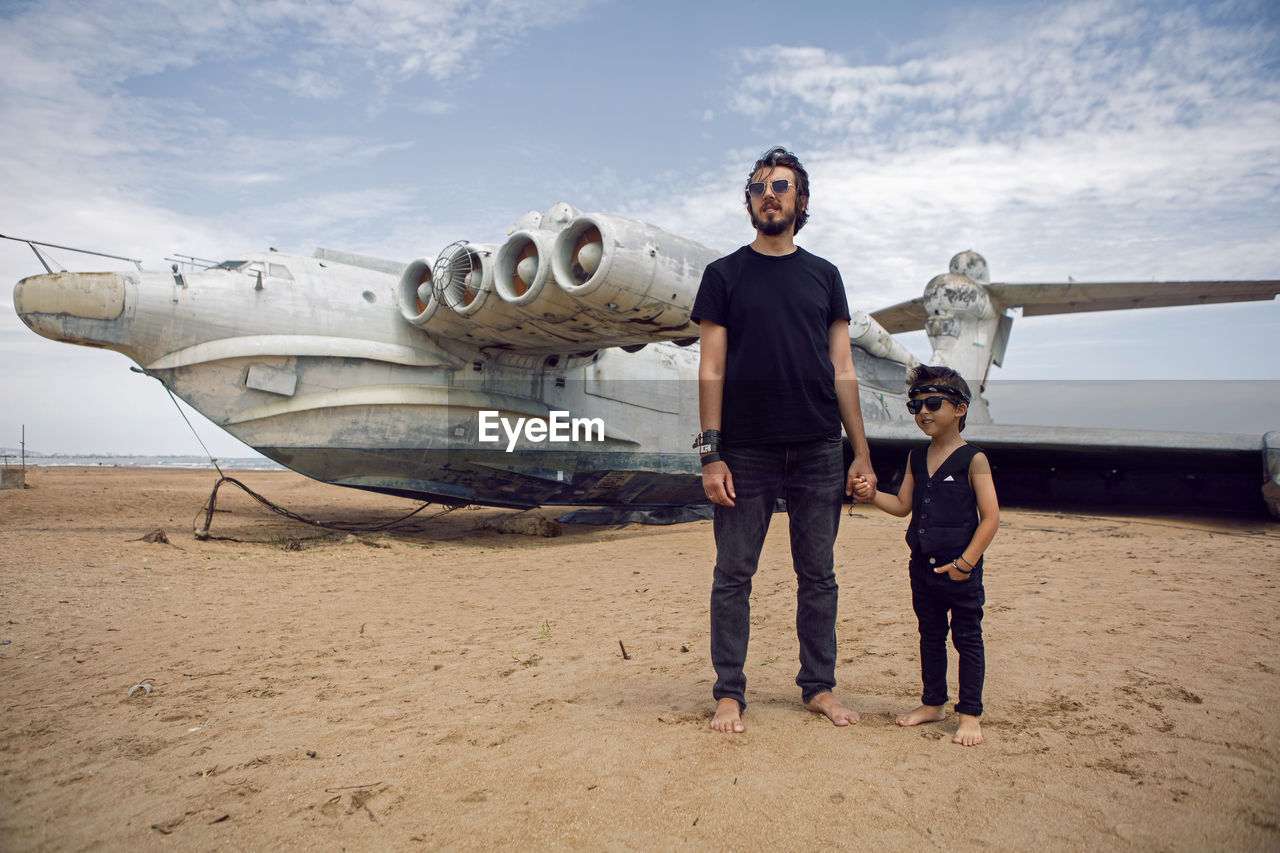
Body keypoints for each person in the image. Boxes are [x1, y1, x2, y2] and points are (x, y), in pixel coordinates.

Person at [691, 145, 877, 734]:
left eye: (781, 186)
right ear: (748, 202)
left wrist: (861, 452)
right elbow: (710, 368)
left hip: (820, 446)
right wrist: (711, 454)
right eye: (758, 187)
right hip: (744, 449)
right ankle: (729, 693)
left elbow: (843, 366)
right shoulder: (723, 275)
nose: (769, 195)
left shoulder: (826, 276)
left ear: (800, 201)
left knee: (818, 575)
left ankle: (818, 688)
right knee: (733, 573)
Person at [852, 364, 999, 746]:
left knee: (967, 639)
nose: (924, 413)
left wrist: (966, 563)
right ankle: (933, 703)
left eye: (933, 403)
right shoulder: (917, 457)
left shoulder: (974, 460)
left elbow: (991, 518)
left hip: (961, 571)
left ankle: (969, 714)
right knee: (930, 636)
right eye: (915, 406)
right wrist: (871, 495)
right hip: (922, 567)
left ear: (961, 409)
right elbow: (903, 506)